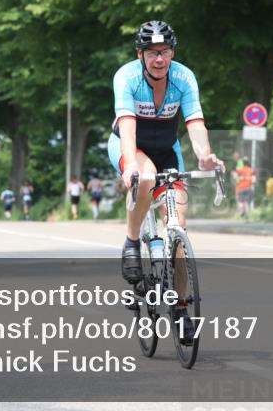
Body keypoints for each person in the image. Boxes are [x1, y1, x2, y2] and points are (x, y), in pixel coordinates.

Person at [109, 21, 222, 343]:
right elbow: (127, 125)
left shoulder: (184, 77)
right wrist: (130, 163)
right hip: (132, 145)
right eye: (153, 53)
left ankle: (181, 309)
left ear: (173, 52)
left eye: (166, 52)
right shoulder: (126, 77)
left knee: (179, 229)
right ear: (140, 54)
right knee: (144, 177)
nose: (160, 59)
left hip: (168, 149)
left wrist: (205, 155)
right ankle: (133, 242)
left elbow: (195, 121)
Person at [232, 153, 256, 220]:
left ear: (243, 163)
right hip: (248, 188)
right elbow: (254, 180)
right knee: (246, 203)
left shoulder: (240, 170)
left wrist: (237, 180)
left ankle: (242, 211)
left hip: (240, 188)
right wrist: (252, 184)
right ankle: (247, 216)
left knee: (240, 201)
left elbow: (234, 175)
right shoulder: (251, 170)